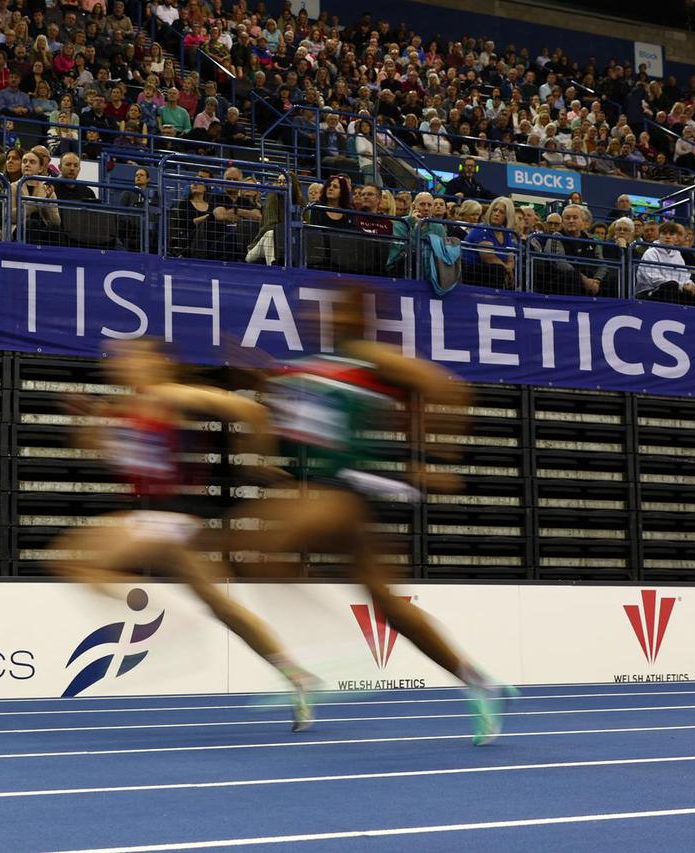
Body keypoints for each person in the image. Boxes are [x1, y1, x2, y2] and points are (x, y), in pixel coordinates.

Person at [241, 286, 515, 744]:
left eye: (342, 309)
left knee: (256, 549)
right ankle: (478, 682)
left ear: (363, 318)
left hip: (341, 494)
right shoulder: (310, 365)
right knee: (389, 608)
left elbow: (447, 387)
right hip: (326, 493)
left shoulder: (369, 358)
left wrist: (436, 458)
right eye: (326, 309)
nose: (325, 315)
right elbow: (288, 429)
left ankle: (334, 655)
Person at [48, 339, 318, 731]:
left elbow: (248, 409)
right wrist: (83, 422)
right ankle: (297, 677)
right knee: (224, 609)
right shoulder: (122, 409)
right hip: (170, 526)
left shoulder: (169, 394)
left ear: (158, 363)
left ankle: (169, 624)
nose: (122, 364)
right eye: (119, 358)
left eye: (132, 357)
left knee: (72, 560)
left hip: (170, 518)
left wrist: (255, 462)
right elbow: (103, 453)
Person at [461, 196, 519, 289]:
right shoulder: (481, 229)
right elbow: (488, 257)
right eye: (495, 210)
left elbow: (511, 259)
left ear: (507, 216)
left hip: (492, 272)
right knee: (498, 270)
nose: (496, 214)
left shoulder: (506, 233)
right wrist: (506, 269)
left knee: (516, 271)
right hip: (472, 270)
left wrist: (509, 269)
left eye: (501, 212)